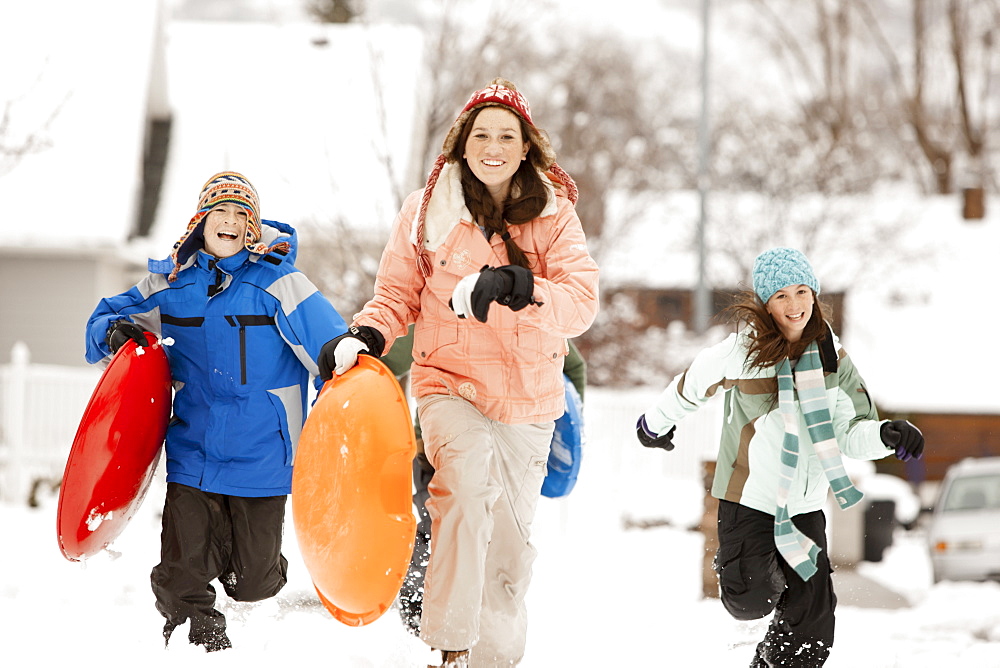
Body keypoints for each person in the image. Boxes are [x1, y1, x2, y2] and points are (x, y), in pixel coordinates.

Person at [318, 78, 599, 667]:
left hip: (529, 401)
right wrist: (365, 334)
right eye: (481, 134)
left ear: (526, 148)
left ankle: (491, 661)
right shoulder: (426, 213)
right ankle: (448, 650)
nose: (493, 146)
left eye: (507, 135)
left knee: (509, 550)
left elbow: (581, 304)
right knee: (464, 494)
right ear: (461, 143)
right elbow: (397, 295)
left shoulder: (554, 215)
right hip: (450, 386)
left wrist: (523, 287)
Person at [84, 171, 348, 651]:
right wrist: (113, 334)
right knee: (180, 573)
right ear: (201, 220)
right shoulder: (169, 284)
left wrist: (344, 362)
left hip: (263, 457)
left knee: (255, 583)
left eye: (240, 214)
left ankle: (238, 566)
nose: (229, 221)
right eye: (219, 211)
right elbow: (104, 318)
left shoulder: (280, 283)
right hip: (194, 454)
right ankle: (201, 648)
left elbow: (330, 342)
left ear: (252, 228)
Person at [635, 247, 924, 668]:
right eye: (782, 296)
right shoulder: (742, 352)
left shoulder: (833, 359)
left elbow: (850, 431)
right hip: (749, 497)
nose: (795, 306)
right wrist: (654, 425)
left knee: (814, 630)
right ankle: (743, 574)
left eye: (802, 292)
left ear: (814, 294)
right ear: (765, 303)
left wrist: (885, 434)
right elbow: (690, 386)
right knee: (751, 598)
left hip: (804, 504)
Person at [382, 332, 587, 637]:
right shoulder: (522, 314)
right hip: (487, 446)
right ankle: (438, 619)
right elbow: (573, 367)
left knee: (444, 532)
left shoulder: (440, 311)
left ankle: (433, 614)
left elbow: (386, 365)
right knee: (477, 537)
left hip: (451, 446)